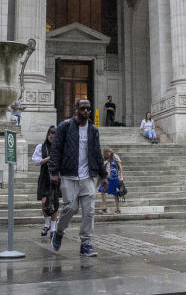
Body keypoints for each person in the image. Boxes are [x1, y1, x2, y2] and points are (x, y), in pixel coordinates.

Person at [48, 98, 107, 256]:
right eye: (82, 109)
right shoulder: (65, 127)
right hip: (68, 175)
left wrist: (103, 174)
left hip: (87, 176)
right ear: (76, 109)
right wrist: (53, 172)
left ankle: (86, 243)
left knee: (89, 211)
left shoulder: (93, 130)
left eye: (88, 109)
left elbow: (97, 153)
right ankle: (59, 232)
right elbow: (56, 150)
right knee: (71, 208)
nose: (86, 112)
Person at [32, 125, 59, 237]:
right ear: (48, 135)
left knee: (53, 203)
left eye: (54, 137)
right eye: (50, 136)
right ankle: (47, 224)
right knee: (44, 203)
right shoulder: (41, 147)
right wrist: (48, 158)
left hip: (55, 178)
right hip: (44, 177)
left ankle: (53, 228)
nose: (51, 139)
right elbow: (36, 161)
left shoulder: (59, 148)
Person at [98, 147, 124, 214]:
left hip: (114, 178)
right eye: (105, 154)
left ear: (110, 152)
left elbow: (120, 166)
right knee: (102, 191)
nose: (107, 155)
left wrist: (121, 176)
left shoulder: (115, 157)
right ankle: (104, 207)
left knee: (115, 193)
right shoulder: (103, 158)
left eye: (108, 153)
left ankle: (118, 208)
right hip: (106, 178)